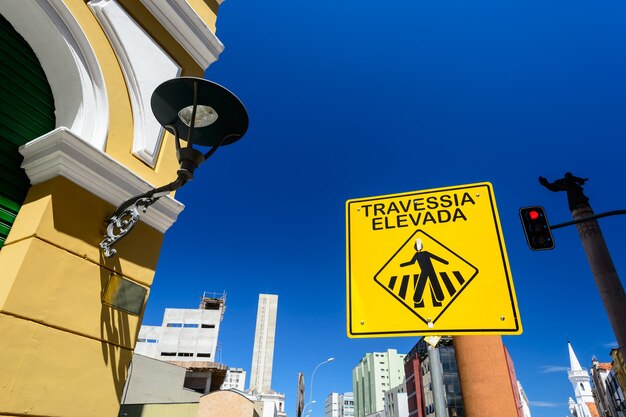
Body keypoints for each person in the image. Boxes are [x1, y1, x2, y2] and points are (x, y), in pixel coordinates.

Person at [400, 239, 449, 307]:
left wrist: (445, 262)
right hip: (426, 270)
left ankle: (439, 297)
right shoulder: (417, 254)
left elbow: (435, 257)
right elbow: (412, 262)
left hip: (429, 270)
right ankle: (417, 299)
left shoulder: (424, 253)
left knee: (433, 283)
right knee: (423, 283)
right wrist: (402, 265)